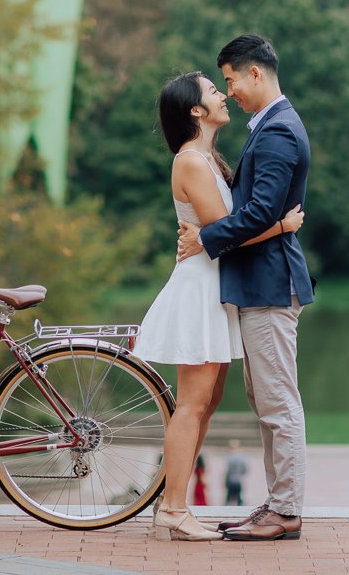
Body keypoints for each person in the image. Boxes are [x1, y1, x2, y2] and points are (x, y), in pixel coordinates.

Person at [132, 69, 305, 543]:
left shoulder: (208, 158)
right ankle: (172, 508)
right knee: (191, 405)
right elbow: (228, 232)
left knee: (206, 404)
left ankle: (177, 505)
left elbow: (217, 232)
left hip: (218, 289)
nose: (223, 95)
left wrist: (212, 236)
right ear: (195, 110)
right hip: (200, 290)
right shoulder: (190, 160)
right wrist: (283, 227)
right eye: (213, 91)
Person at [178, 34, 313, 543]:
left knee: (278, 403)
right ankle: (279, 503)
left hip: (271, 284)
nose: (230, 91)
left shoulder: (278, 131)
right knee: (269, 400)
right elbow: (266, 215)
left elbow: (259, 212)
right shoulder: (270, 125)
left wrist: (204, 238)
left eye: (231, 80)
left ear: (255, 73)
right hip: (262, 283)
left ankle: (286, 510)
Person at [224, 439, 248, 506]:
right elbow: (244, 469)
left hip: (231, 479)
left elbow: (227, 470)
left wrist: (225, 481)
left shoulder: (229, 457)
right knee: (238, 498)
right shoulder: (242, 457)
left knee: (228, 498)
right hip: (238, 479)